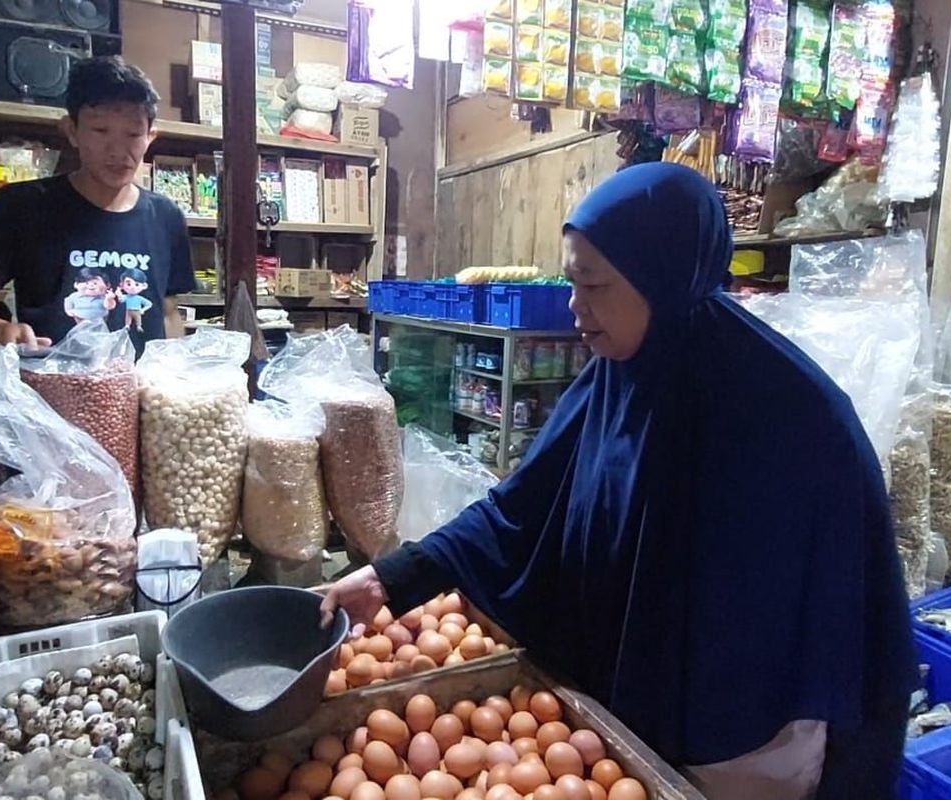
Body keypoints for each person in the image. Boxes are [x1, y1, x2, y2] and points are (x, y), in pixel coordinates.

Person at [321, 163, 914, 799]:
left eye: (593, 284)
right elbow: (521, 510)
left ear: (662, 280)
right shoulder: (617, 378)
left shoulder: (788, 412)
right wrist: (393, 576)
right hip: (629, 708)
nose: (575, 306)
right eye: (572, 281)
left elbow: (848, 603)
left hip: (742, 739)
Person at [0, 56, 195, 353]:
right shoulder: (21, 206)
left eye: (133, 135)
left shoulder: (166, 217)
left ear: (150, 137)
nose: (118, 150)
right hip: (49, 389)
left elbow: (167, 312)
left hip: (138, 393)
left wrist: (176, 375)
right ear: (71, 130)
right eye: (100, 131)